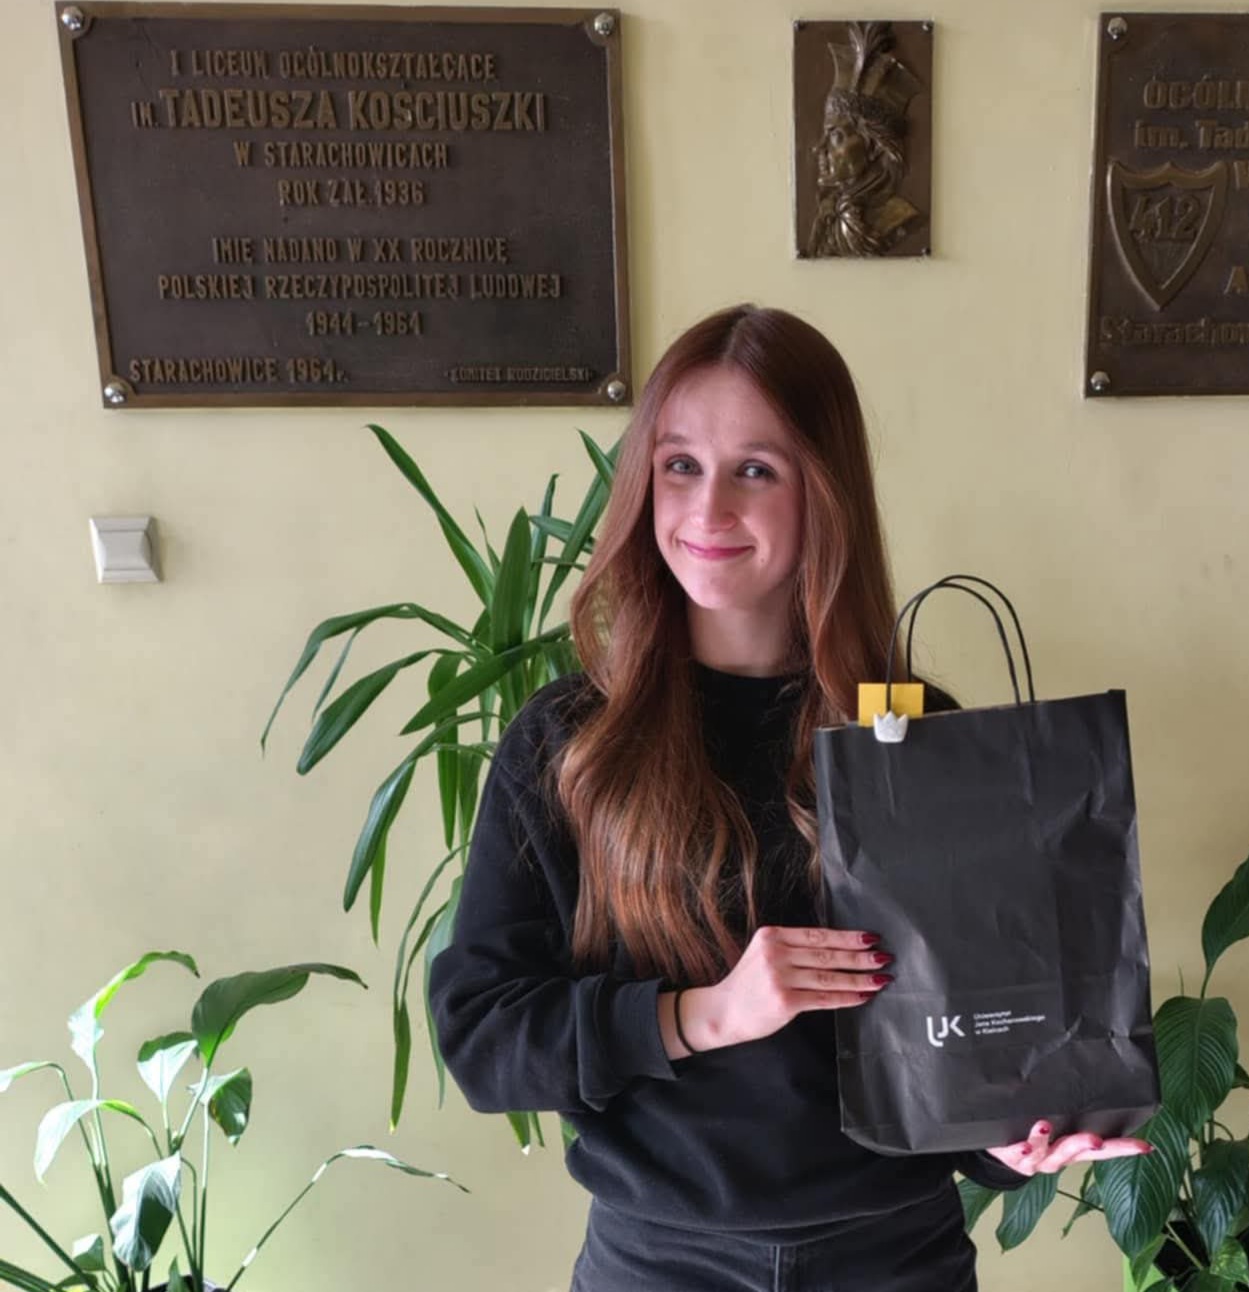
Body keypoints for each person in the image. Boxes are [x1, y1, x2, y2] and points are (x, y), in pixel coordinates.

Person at [429, 304, 1150, 1291]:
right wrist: (705, 1013)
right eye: (681, 464)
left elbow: (959, 1029)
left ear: (824, 490)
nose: (708, 507)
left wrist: (1007, 1142)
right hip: (660, 1265)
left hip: (897, 1262)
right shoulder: (569, 745)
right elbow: (483, 1037)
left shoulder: (914, 734)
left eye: (756, 470)